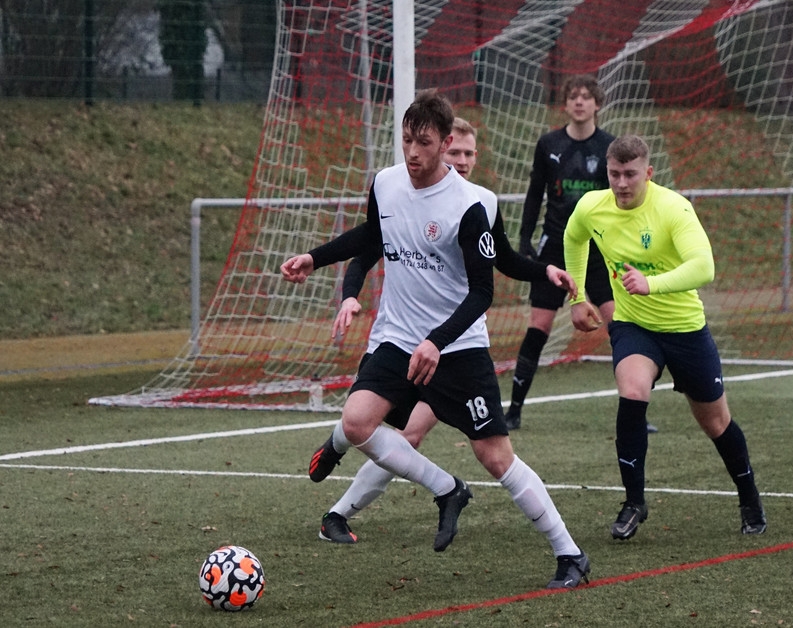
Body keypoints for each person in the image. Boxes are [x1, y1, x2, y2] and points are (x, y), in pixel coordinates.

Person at [280, 91, 590, 588]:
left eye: (423, 143)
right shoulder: (385, 183)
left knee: (495, 456)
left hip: (457, 346)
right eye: (407, 140)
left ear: (445, 144)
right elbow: (371, 237)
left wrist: (439, 340)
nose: (412, 152)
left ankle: (569, 554)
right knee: (357, 422)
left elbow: (485, 287)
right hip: (398, 338)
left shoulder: (471, 206)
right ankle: (447, 489)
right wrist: (315, 259)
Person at [563, 134, 766, 540]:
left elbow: (704, 267)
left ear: (649, 173)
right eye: (614, 174)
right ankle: (633, 502)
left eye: (630, 174)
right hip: (633, 325)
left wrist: (651, 283)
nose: (621, 183)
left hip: (684, 329)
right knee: (632, 391)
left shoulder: (673, 208)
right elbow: (574, 238)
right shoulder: (591, 206)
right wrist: (578, 296)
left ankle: (749, 497)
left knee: (715, 421)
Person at [506, 75, 618, 431]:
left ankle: (635, 410)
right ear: (566, 104)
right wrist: (525, 238)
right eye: (573, 96)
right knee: (538, 327)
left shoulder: (609, 147)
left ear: (597, 103)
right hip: (554, 249)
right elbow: (534, 192)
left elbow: (619, 199)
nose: (579, 102)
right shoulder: (549, 144)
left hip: (598, 251)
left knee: (620, 327)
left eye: (586, 96)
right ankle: (514, 410)